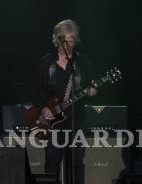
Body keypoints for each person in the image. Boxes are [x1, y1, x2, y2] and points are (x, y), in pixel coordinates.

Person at [35, 19, 96, 184]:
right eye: (65, 41)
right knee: (52, 162)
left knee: (77, 162)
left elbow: (91, 84)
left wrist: (92, 91)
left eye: (72, 41)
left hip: (77, 118)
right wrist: (43, 109)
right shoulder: (46, 62)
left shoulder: (82, 61)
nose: (69, 45)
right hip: (54, 121)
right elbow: (38, 91)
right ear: (57, 39)